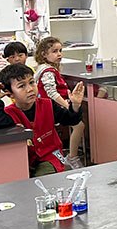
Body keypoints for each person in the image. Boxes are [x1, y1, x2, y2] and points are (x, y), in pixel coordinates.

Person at [0, 64, 85, 177]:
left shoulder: (48, 105)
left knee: (43, 178)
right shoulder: (9, 113)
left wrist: (76, 105)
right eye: (21, 86)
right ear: (9, 93)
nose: (30, 89)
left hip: (50, 156)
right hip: (23, 160)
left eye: (31, 82)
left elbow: (71, 120)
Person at [33, 37, 85, 168]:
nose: (59, 54)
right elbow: (51, 92)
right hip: (52, 108)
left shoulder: (43, 68)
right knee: (79, 125)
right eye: (55, 51)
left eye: (60, 50)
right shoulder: (48, 72)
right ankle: (72, 157)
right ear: (44, 54)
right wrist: (67, 105)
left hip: (48, 107)